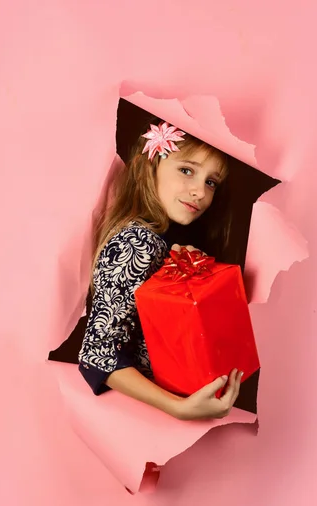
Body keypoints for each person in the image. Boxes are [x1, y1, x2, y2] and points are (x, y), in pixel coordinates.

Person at [78, 120, 243, 421]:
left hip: (146, 415)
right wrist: (177, 407)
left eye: (211, 182)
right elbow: (97, 356)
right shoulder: (138, 240)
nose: (200, 192)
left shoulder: (159, 241)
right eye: (187, 170)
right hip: (134, 416)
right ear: (150, 164)